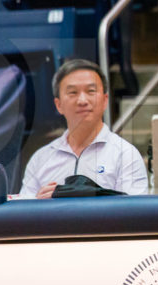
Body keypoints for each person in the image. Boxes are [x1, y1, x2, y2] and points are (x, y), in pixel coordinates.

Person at [19, 59, 148, 198]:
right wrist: (37, 205)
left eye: (91, 91)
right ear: (58, 105)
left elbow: (134, 214)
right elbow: (22, 214)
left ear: (105, 100)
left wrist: (92, 194)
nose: (82, 101)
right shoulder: (40, 159)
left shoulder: (126, 155)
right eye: (73, 92)